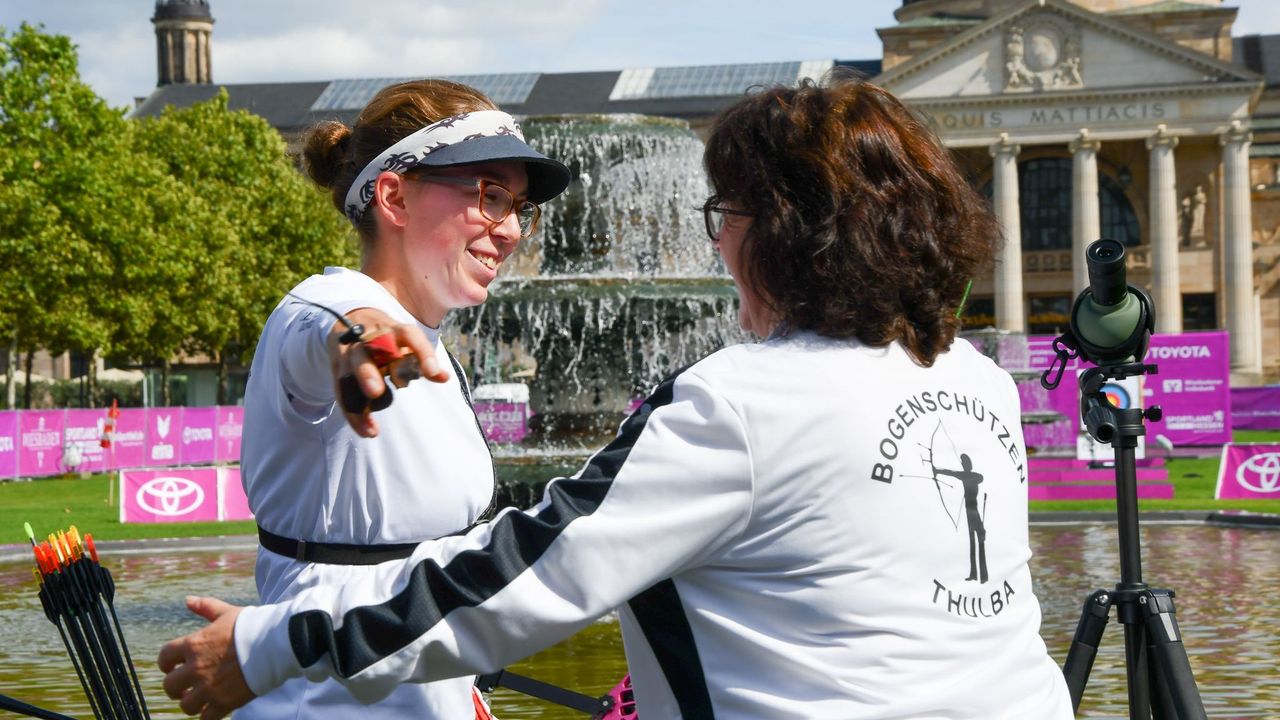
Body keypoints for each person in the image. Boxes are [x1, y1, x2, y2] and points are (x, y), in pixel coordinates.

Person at [159, 76, 1074, 720]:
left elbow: (528, 577)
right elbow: (340, 316)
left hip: (354, 667)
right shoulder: (975, 377)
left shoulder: (741, 405)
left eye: (728, 217)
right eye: (484, 194)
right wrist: (372, 343)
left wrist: (269, 646)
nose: (719, 249)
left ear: (786, 234)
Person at [228, 78, 569, 720]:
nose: (513, 229)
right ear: (395, 197)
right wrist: (362, 339)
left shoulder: (433, 347)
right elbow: (330, 326)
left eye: (520, 206)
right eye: (491, 195)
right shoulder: (324, 306)